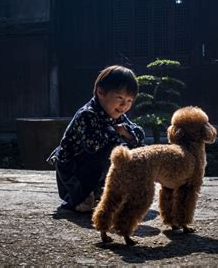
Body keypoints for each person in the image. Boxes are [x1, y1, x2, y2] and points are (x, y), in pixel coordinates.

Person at [47, 65, 145, 212]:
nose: (124, 105)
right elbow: (93, 146)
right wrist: (116, 132)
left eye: (129, 101)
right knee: (110, 151)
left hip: (95, 170)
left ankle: (109, 192)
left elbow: (139, 135)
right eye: (119, 98)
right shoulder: (87, 114)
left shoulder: (117, 114)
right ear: (100, 92)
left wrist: (126, 133)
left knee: (132, 150)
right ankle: (81, 197)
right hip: (74, 172)